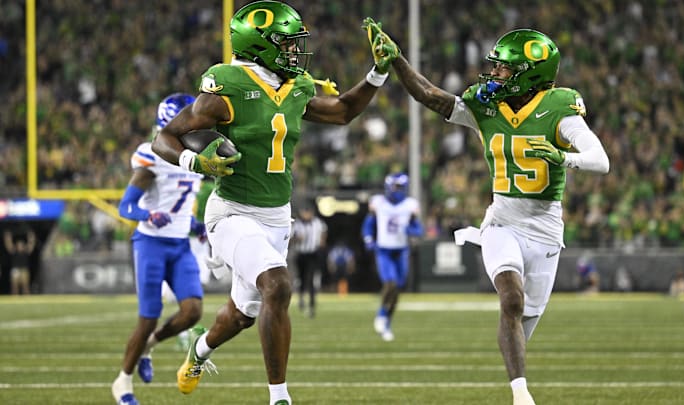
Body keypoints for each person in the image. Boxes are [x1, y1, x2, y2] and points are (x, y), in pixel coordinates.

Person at [151, 2, 396, 404]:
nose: (296, 52)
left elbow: (343, 111)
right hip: (231, 211)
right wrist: (194, 160)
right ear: (259, 46)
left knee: (241, 315)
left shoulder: (296, 85)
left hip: (275, 217)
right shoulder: (226, 84)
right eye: (286, 44)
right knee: (278, 286)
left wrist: (378, 72)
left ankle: (199, 352)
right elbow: (166, 137)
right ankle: (279, 397)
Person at [364, 20, 609, 404]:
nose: (494, 72)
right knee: (510, 298)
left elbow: (600, 159)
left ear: (530, 75)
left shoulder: (558, 108)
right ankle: (521, 394)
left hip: (544, 229)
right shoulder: (486, 104)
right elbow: (430, 96)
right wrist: (398, 62)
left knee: (524, 319)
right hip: (501, 221)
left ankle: (515, 382)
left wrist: (564, 157)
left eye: (504, 68)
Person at [112, 92, 208, 405]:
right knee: (148, 317)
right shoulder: (152, 155)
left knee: (192, 311)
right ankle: (123, 382)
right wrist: (147, 214)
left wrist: (196, 226)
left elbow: (179, 205)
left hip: (180, 244)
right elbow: (125, 206)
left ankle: (149, 347)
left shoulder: (191, 157)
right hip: (150, 243)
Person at [361, 172, 424, 341]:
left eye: (401, 187)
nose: (398, 190)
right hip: (384, 250)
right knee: (390, 282)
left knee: (397, 289)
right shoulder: (378, 203)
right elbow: (368, 224)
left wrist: (411, 231)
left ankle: (387, 322)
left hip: (401, 250)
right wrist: (368, 239)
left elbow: (419, 229)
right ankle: (382, 314)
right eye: (396, 187)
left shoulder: (410, 205)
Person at [290, 204, 327, 318]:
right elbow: (290, 239)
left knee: (311, 278)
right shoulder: (297, 224)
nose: (306, 215)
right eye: (304, 212)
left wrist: (322, 241)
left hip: (313, 254)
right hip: (301, 254)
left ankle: (311, 304)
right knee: (301, 278)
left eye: (308, 212)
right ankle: (301, 298)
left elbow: (324, 232)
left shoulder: (318, 223)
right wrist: (297, 239)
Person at [3, 227, 36, 295]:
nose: (20, 246)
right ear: (16, 245)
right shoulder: (14, 251)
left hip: (24, 270)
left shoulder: (26, 251)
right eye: (19, 244)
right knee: (14, 287)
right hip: (15, 270)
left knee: (25, 286)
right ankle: (15, 300)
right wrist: (7, 237)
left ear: (24, 246)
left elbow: (31, 244)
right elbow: (8, 244)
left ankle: (26, 300)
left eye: (21, 245)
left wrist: (31, 236)